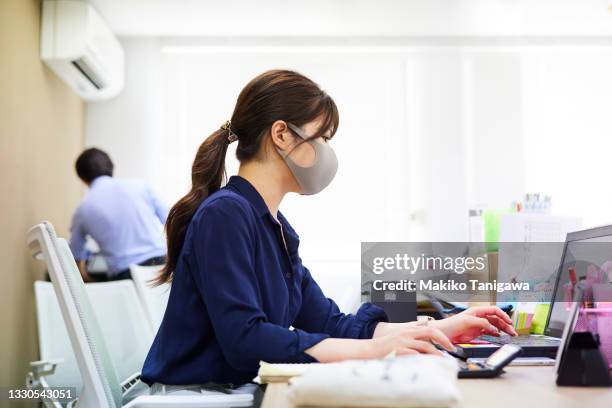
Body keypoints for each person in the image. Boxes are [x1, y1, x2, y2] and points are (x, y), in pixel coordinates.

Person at [141, 70, 517, 389]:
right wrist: (376, 349)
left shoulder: (276, 228)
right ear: (281, 135)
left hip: (231, 392)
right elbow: (246, 340)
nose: (325, 151)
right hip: (196, 396)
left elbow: (331, 324)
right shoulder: (225, 216)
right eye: (321, 137)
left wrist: (441, 328)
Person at [69, 148, 168, 281]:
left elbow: (75, 255)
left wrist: (86, 278)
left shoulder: (83, 208)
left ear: (82, 178)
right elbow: (171, 221)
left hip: (126, 276)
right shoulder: (141, 186)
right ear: (111, 167)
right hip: (162, 266)